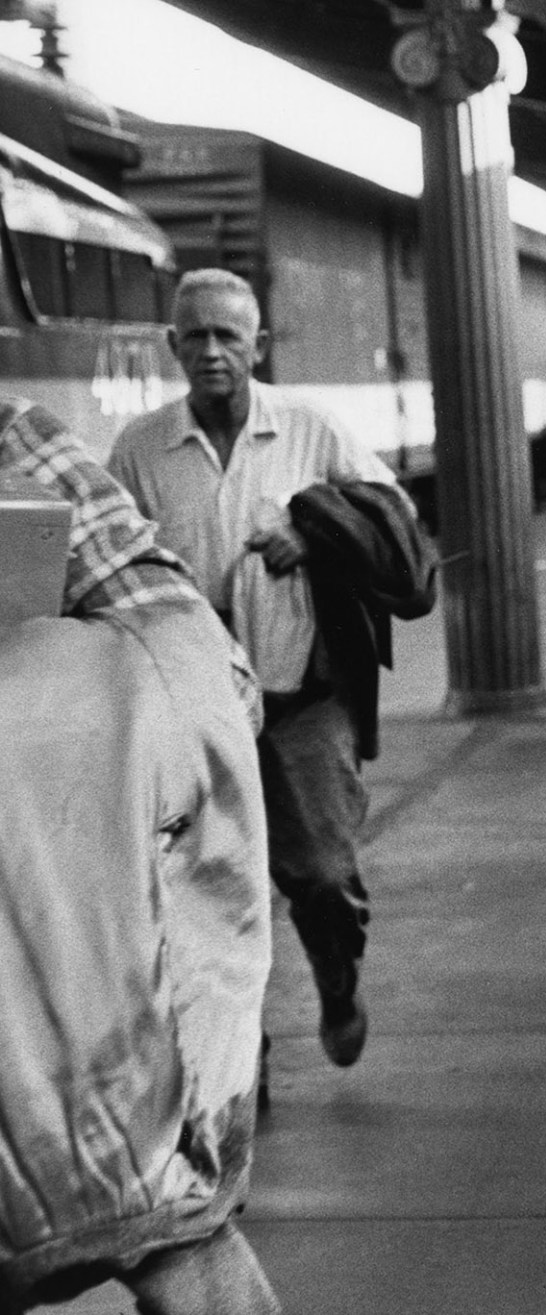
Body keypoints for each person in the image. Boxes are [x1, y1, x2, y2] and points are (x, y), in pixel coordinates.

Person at [1, 398, 281, 1314]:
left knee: (166, 1224)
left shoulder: (14, 443)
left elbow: (210, 684)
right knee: (172, 1229)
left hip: (62, 953)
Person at [110, 267, 416, 1071]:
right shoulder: (139, 449)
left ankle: (338, 978)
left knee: (320, 873)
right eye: (195, 336)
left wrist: (316, 538)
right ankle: (234, 1062)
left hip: (303, 694)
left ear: (259, 346)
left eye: (228, 336)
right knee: (201, 890)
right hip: (192, 705)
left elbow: (395, 523)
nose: (211, 351)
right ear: (173, 346)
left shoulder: (312, 428)